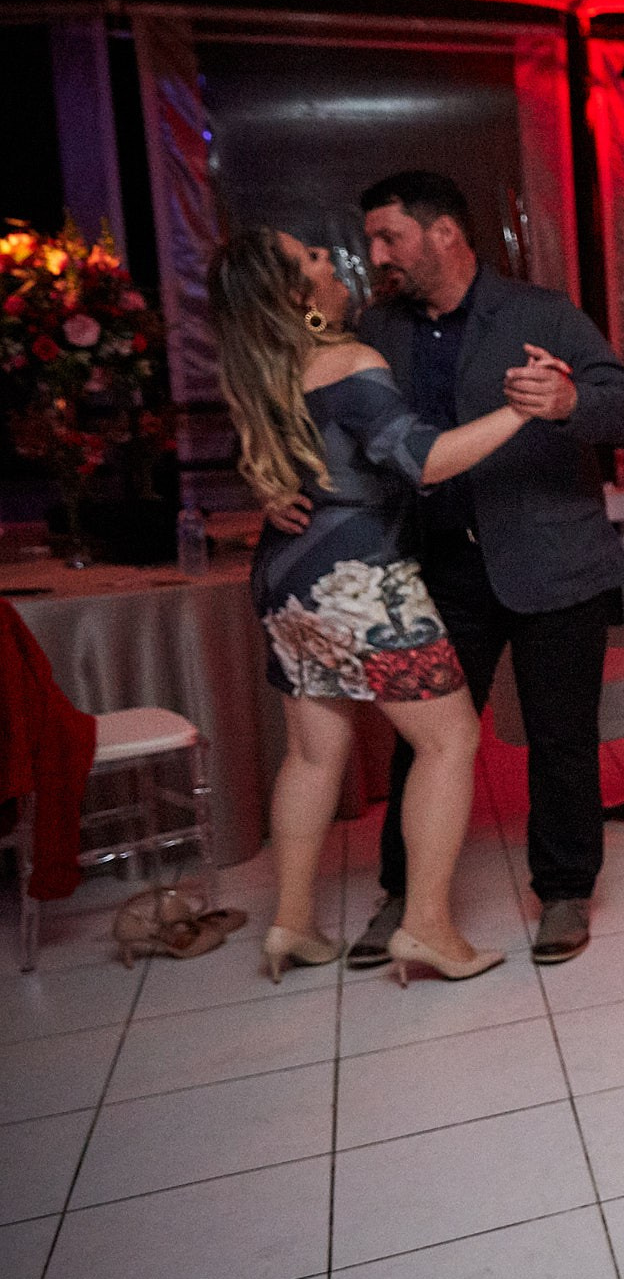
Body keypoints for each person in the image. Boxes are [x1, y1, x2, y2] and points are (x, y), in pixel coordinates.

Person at [322, 171, 624, 968]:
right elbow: (356, 433)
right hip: (439, 568)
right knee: (425, 741)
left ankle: (566, 891)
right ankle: (407, 896)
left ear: (444, 233)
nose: (376, 254)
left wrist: (571, 399)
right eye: (371, 240)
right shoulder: (381, 328)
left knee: (562, 736)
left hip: (554, 558)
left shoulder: (539, 313)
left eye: (388, 236)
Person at [210, 227, 531, 984]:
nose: (332, 260)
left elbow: (293, 472)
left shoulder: (263, 373)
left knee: (314, 753)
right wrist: (523, 411)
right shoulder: (350, 363)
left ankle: (292, 923)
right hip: (361, 585)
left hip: (287, 579)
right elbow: (425, 461)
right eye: (314, 258)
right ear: (298, 295)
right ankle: (427, 927)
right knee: (449, 740)